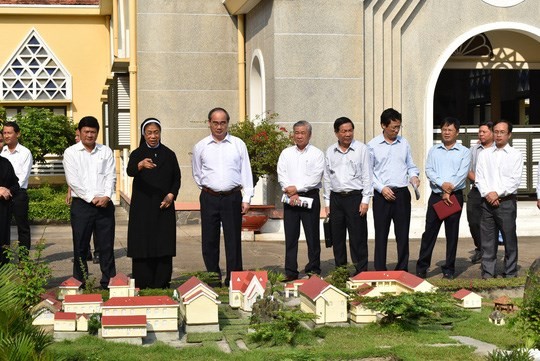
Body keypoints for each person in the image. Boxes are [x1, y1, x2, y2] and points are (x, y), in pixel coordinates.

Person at [192, 107, 253, 286]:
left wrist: (246, 197)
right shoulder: (200, 146)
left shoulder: (238, 144)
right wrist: (209, 188)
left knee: (233, 239)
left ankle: (234, 278)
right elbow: (197, 173)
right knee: (209, 239)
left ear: (227, 123)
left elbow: (246, 171)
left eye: (223, 123)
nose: (219, 127)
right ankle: (213, 277)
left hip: (232, 197)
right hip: (209, 196)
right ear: (209, 123)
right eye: (215, 123)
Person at [63, 116, 116, 289]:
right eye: (86, 131)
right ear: (79, 132)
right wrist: (91, 198)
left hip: (104, 205)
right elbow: (73, 180)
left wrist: (107, 196)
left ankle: (109, 282)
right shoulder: (71, 152)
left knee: (106, 246)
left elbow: (111, 176)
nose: (90, 135)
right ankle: (80, 282)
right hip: (82, 205)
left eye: (93, 132)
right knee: (80, 246)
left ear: (97, 133)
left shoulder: (105, 151)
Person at [127, 118, 181, 289]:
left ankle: (162, 281)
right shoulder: (137, 153)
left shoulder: (169, 154)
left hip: (164, 206)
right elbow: (130, 171)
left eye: (156, 132)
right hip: (142, 208)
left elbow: (176, 178)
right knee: (142, 243)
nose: (152, 136)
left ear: (160, 133)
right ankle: (143, 282)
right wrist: (141, 165)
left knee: (163, 243)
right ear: (144, 134)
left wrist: (171, 195)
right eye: (149, 132)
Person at [416, 117, 470, 279]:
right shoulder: (434, 150)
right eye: (444, 129)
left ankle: (449, 269)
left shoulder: (464, 152)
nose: (446, 133)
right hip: (437, 196)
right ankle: (422, 267)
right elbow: (429, 170)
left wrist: (449, 189)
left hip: (454, 196)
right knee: (429, 232)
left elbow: (462, 174)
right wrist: (442, 185)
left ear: (457, 133)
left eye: (450, 130)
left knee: (451, 234)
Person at [368, 108, 419, 272]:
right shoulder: (372, 146)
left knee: (403, 234)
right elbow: (368, 173)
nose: (396, 131)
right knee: (381, 235)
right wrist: (382, 188)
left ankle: (402, 269)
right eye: (393, 127)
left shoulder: (403, 143)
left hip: (402, 194)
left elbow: (410, 165)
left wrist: (414, 176)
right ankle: (380, 270)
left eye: (398, 127)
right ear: (383, 125)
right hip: (382, 195)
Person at [323, 117, 372, 275]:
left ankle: (361, 271)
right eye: (344, 131)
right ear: (336, 133)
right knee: (337, 238)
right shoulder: (330, 151)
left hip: (355, 198)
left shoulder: (361, 149)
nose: (347, 134)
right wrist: (327, 202)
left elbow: (367, 176)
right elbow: (327, 178)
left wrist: (365, 200)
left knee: (358, 237)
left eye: (350, 130)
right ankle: (341, 271)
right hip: (336, 198)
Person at [278, 120, 325, 282]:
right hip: (290, 199)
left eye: (302, 133)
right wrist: (290, 191)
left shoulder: (317, 154)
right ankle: (291, 271)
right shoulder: (286, 153)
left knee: (312, 236)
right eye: (296, 133)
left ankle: (313, 269)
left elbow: (315, 177)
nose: (299, 136)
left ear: (309, 135)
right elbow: (281, 174)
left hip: (309, 197)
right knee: (291, 237)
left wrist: (296, 189)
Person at [476, 120, 522, 279]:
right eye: (496, 131)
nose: (498, 134)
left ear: (509, 134)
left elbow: (515, 180)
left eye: (502, 132)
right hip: (487, 203)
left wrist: (498, 193)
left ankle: (510, 273)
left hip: (506, 202)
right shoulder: (484, 154)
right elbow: (479, 178)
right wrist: (488, 194)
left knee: (509, 239)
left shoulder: (516, 155)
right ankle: (488, 274)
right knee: (488, 241)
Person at [65, 129, 98, 264]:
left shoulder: (100, 152)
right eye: (77, 136)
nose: (77, 138)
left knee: (97, 229)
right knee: (81, 232)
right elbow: (73, 178)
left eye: (78, 136)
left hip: (98, 198)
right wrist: (69, 192)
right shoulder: (72, 152)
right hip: (82, 198)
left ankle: (98, 252)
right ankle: (85, 254)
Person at [1, 121, 33, 252]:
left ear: (17, 134)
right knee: (3, 227)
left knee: (22, 227)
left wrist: (8, 189)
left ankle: (23, 259)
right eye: (4, 133)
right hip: (2, 194)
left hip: (18, 193)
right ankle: (4, 258)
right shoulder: (1, 151)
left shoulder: (25, 152)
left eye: (9, 133)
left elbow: (22, 176)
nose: (6, 136)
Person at [466, 121, 494, 264]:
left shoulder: (498, 149)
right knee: (473, 221)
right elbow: (468, 169)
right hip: (477, 190)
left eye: (484, 132)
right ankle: (480, 248)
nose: (481, 134)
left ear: (492, 133)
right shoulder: (474, 149)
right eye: (480, 132)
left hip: (494, 192)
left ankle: (489, 252)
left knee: (491, 223)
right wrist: (480, 183)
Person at [0, 156, 19, 265]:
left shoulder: (5, 163)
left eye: (0, 141)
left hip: (3, 209)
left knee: (3, 245)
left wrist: (8, 190)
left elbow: (16, 184)